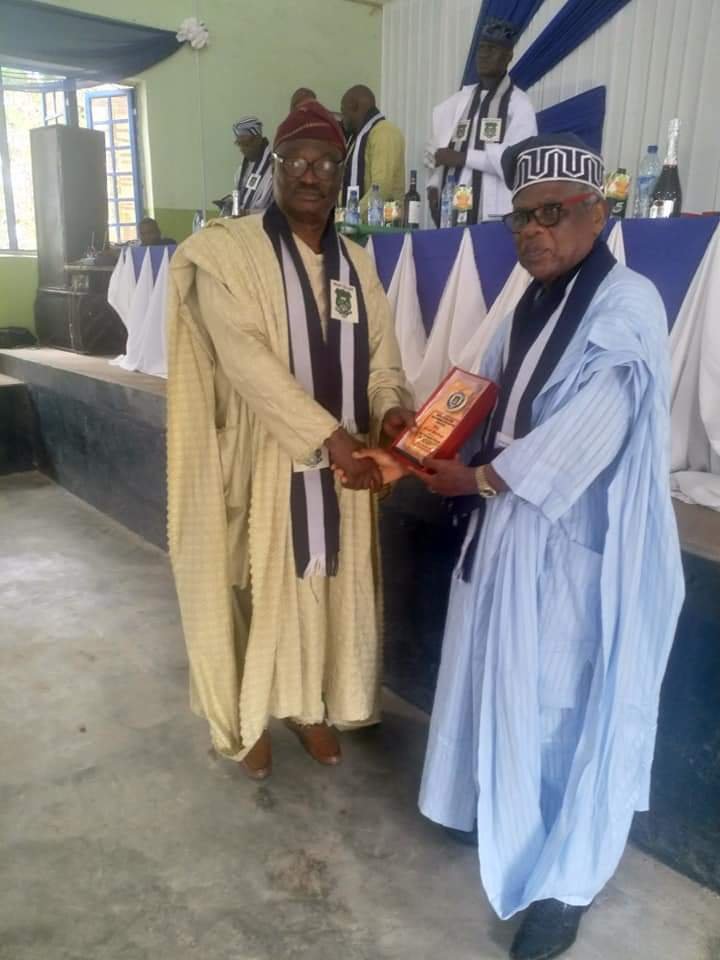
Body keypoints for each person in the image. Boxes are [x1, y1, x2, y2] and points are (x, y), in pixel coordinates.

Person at [353, 135, 685, 960]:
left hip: (576, 544)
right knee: (500, 680)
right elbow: (481, 392)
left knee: (562, 709)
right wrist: (421, 439)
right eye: (520, 220)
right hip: (510, 526)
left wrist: (484, 480)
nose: (533, 232)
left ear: (594, 214)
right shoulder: (532, 296)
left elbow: (596, 426)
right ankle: (499, 816)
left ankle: (566, 883)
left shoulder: (627, 300)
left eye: (551, 216)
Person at [166, 100, 414, 781]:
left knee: (325, 583)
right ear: (273, 169)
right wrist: (324, 436)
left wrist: (390, 414)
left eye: (327, 164)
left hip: (345, 462)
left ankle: (309, 707)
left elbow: (384, 361)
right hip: (266, 450)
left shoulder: (359, 264)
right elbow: (243, 358)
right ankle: (248, 717)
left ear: (341, 175)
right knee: (253, 581)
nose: (312, 175)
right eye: (297, 162)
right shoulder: (230, 251)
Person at [426, 17, 537, 226]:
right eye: (482, 48)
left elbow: (517, 161)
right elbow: (436, 150)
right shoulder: (458, 101)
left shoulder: (519, 104)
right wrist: (433, 186)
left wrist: (463, 158)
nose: (484, 54)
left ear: (508, 56)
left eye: (492, 49)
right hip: (450, 214)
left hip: (494, 217)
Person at [340, 84, 405, 216]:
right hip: (357, 227)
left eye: (343, 111)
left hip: (381, 227)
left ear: (353, 105)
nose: (342, 117)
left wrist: (351, 216)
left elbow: (381, 187)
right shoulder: (355, 140)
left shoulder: (384, 132)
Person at [231, 116, 273, 214]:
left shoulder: (274, 167)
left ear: (258, 139)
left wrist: (247, 213)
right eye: (239, 144)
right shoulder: (243, 167)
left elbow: (278, 212)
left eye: (245, 144)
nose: (242, 149)